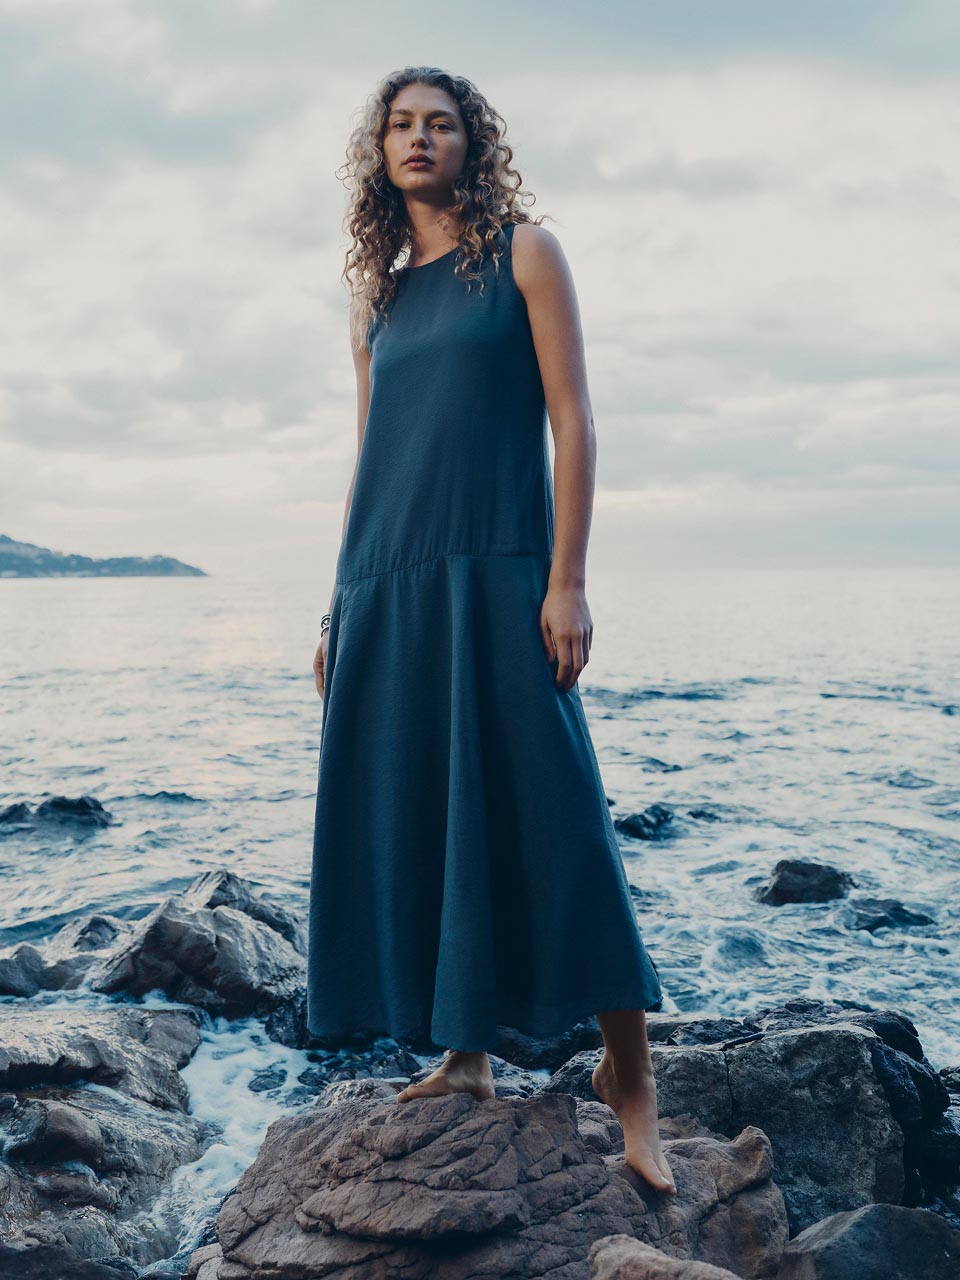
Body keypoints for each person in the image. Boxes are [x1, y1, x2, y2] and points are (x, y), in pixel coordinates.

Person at [308, 66, 676, 1196]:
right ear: (380, 152)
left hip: (501, 571)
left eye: (442, 123)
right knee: (426, 806)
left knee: (559, 807)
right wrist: (339, 600)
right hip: (393, 579)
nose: (420, 138)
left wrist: (567, 579)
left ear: (475, 143)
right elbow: (373, 456)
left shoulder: (525, 252)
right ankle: (464, 1058)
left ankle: (632, 1077)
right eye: (401, 125)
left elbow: (575, 419)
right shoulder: (375, 296)